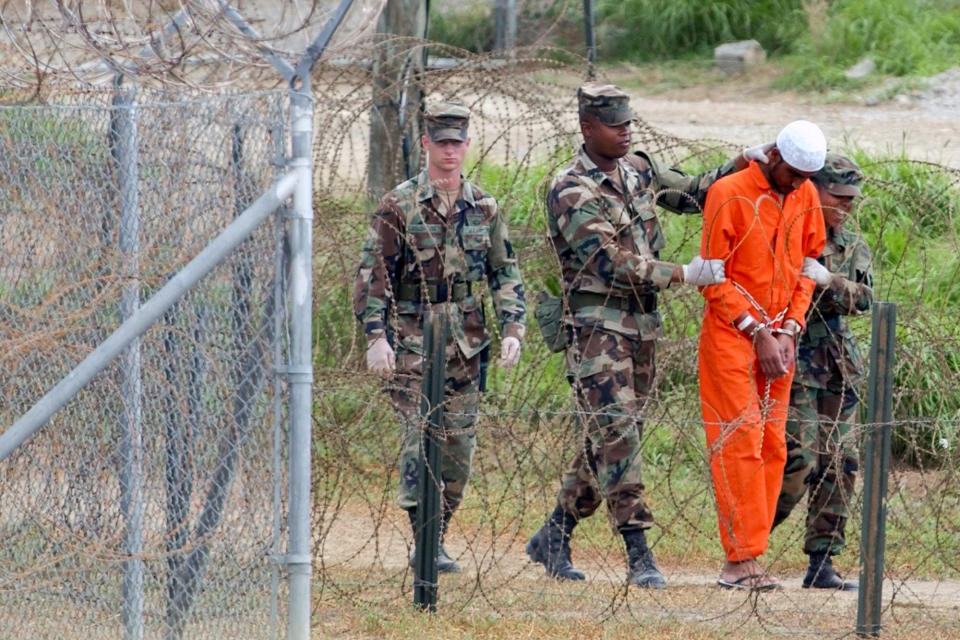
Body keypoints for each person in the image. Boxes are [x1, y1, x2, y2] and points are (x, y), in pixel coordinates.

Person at [527, 83, 736, 588]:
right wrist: (684, 273)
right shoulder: (571, 188)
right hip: (597, 325)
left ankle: (555, 531)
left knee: (612, 436)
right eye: (614, 125)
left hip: (641, 325)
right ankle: (639, 551)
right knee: (618, 432)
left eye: (628, 124)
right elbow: (610, 263)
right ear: (587, 128)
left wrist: (745, 165)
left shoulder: (637, 170)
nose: (625, 133)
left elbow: (692, 192)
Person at [353, 101, 526, 573]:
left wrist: (513, 327)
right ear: (427, 143)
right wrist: (375, 336)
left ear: (467, 145)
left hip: (466, 345)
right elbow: (374, 276)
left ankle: (441, 534)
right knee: (418, 441)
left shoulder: (484, 207)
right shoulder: (400, 205)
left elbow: (504, 272)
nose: (450, 151)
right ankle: (424, 542)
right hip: (412, 339)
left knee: (457, 450)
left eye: (458, 142)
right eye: (442, 142)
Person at [697, 119, 828, 591]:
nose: (796, 183)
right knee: (740, 441)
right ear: (772, 155)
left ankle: (751, 552)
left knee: (772, 444)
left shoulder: (805, 194)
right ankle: (740, 559)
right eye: (792, 173)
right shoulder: (729, 192)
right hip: (733, 338)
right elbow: (711, 276)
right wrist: (756, 331)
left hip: (780, 339)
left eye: (805, 177)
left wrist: (792, 328)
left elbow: (810, 265)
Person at [770, 153, 872, 591]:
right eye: (839, 196)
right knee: (797, 462)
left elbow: (866, 298)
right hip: (794, 360)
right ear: (814, 190)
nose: (846, 206)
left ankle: (823, 561)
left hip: (837, 364)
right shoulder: (787, 229)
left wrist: (828, 280)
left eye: (852, 199)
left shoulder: (850, 243)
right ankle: (745, 543)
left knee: (841, 464)